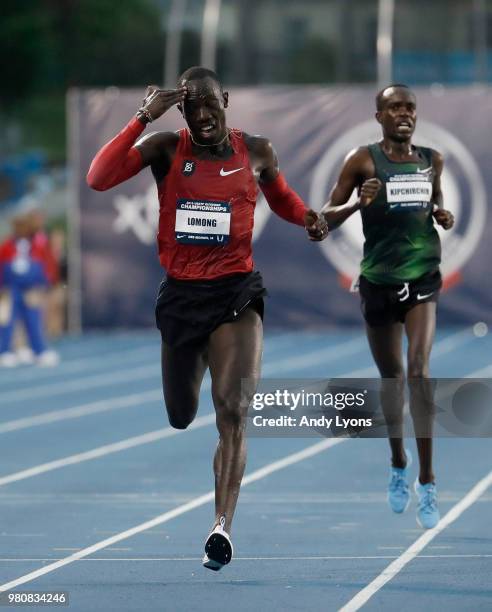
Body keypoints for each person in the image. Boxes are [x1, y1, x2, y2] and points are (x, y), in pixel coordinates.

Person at [87, 66, 327, 570]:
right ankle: (191, 381)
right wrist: (140, 118)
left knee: (234, 408)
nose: (200, 115)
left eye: (207, 103)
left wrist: (305, 214)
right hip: (181, 298)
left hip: (236, 292)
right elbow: (98, 177)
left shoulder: (257, 150)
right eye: (188, 106)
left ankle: (221, 526)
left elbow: (279, 196)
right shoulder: (167, 148)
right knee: (180, 414)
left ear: (226, 100)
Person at [320, 84, 454, 529]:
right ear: (379, 115)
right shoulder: (361, 160)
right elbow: (325, 216)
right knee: (392, 380)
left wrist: (441, 213)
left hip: (422, 278)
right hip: (378, 281)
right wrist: (359, 202)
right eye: (394, 107)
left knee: (419, 372)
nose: (404, 113)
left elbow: (433, 200)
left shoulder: (432, 159)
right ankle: (398, 460)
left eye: (410, 107)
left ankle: (428, 481)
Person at [0, 211, 60, 367]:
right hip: (10, 289)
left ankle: (38, 350)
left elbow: (45, 264)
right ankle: (5, 351)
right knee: (7, 321)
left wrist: (46, 282)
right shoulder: (7, 245)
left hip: (31, 289)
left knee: (33, 320)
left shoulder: (37, 244)